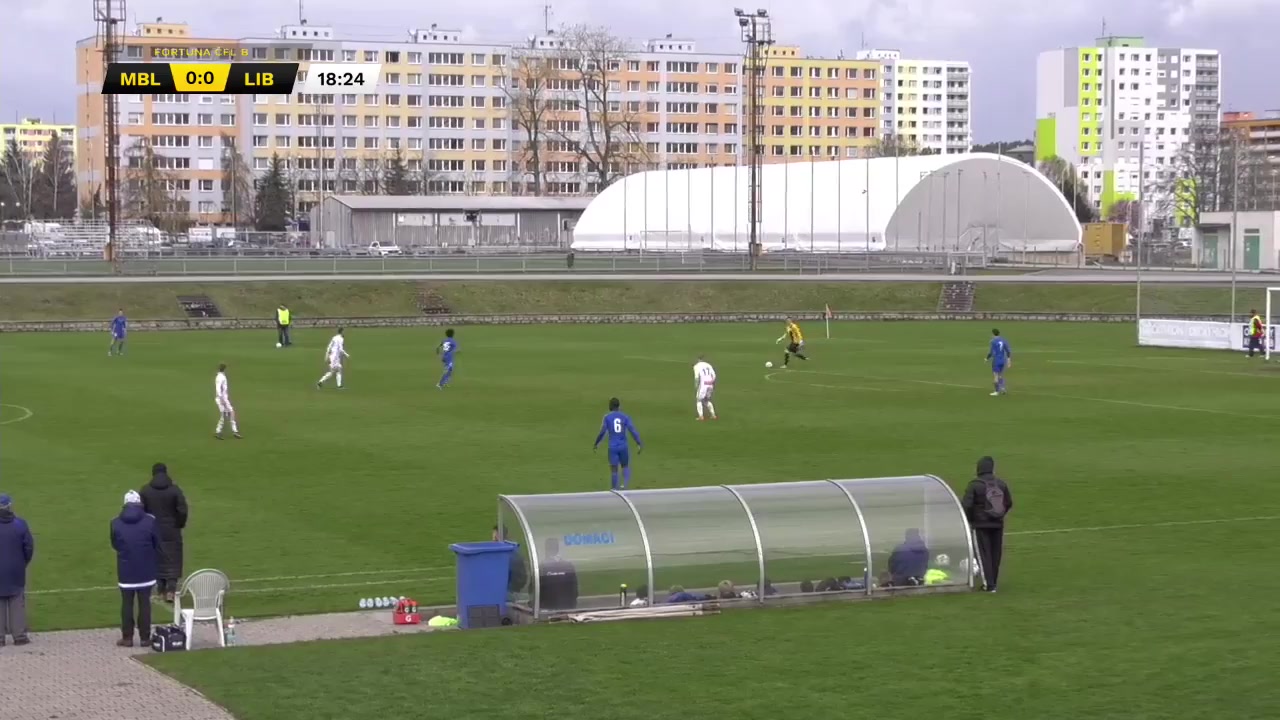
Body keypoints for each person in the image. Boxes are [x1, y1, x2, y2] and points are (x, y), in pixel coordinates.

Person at [111, 490, 159, 647]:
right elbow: (156, 542)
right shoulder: (150, 521)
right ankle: (145, 638)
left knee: (127, 603)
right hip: (146, 570)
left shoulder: (115, 523)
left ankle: (127, 637)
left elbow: (115, 545)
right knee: (145, 603)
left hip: (126, 570)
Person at [962, 456, 1013, 592]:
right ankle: (993, 582)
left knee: (983, 554)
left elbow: (966, 505)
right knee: (995, 554)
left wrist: (969, 520)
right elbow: (1008, 503)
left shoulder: (974, 485)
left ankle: (989, 585)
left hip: (980, 525)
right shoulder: (1001, 484)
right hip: (997, 524)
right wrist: (999, 515)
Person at [139, 463, 189, 603]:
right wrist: (179, 524)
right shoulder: (174, 490)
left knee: (156, 558)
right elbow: (182, 510)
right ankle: (171, 591)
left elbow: (140, 511)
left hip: (153, 529)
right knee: (173, 558)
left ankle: (161, 590)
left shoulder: (146, 490)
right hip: (172, 529)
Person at [0, 494, 34, 647]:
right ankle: (19, 636)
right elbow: (28, 547)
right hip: (16, 569)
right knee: (17, 602)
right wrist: (22, 563)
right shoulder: (20, 524)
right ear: (9, 506)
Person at [593, 397, 643, 490]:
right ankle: (624, 485)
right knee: (625, 466)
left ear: (610, 407)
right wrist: (639, 443)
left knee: (614, 469)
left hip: (613, 447)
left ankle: (614, 490)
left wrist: (596, 443)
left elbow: (602, 431)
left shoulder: (607, 417)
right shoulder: (625, 417)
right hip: (623, 446)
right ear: (619, 406)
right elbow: (632, 430)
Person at [538, 537, 578, 611]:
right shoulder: (568, 565)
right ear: (557, 549)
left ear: (546, 549)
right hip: (567, 605)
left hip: (547, 606)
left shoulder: (542, 567)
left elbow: (535, 588)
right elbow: (574, 590)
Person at [214, 363, 241, 439]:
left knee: (229, 413)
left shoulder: (220, 376)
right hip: (222, 399)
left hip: (223, 398)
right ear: (225, 369)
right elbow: (218, 389)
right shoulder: (220, 377)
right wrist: (222, 400)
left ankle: (233, 431)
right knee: (227, 414)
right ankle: (220, 431)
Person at [986, 328, 1012, 396]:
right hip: (1002, 360)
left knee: (995, 376)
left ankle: (996, 391)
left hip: (996, 361)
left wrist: (986, 358)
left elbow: (991, 352)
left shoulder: (993, 341)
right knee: (1000, 375)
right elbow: (1008, 351)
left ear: (993, 334)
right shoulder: (1003, 340)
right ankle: (1003, 388)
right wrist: (1009, 360)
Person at [692, 355, 718, 421]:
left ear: (698, 359)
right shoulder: (708, 365)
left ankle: (701, 416)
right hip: (710, 383)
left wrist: (696, 386)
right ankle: (713, 415)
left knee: (698, 400)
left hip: (703, 385)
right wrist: (712, 384)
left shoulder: (696, 366)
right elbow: (714, 375)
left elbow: (697, 377)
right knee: (707, 400)